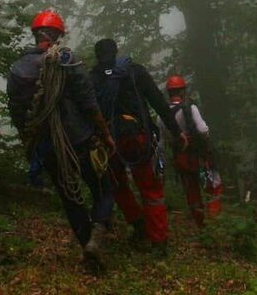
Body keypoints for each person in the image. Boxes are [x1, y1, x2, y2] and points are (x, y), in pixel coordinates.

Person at [7, 10, 116, 273]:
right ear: (57, 35)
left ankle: (88, 249)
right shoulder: (66, 60)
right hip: (80, 140)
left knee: (71, 198)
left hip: (49, 147)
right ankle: (97, 235)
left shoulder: (18, 68)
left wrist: (29, 145)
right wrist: (105, 134)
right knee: (105, 186)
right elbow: (89, 103)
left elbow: (18, 112)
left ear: (36, 35)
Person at [90, 38, 187, 254]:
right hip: (138, 139)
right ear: (115, 52)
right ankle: (159, 242)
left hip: (109, 142)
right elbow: (158, 103)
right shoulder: (134, 72)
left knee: (117, 186)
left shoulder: (93, 78)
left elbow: (87, 112)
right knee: (151, 189)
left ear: (97, 55)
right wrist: (177, 131)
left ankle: (138, 224)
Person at [158, 74, 223, 227]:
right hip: (198, 155)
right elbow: (203, 130)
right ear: (182, 91)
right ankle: (215, 220)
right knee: (213, 183)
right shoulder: (190, 108)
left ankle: (199, 221)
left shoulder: (162, 115)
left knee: (191, 189)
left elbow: (162, 139)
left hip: (179, 156)